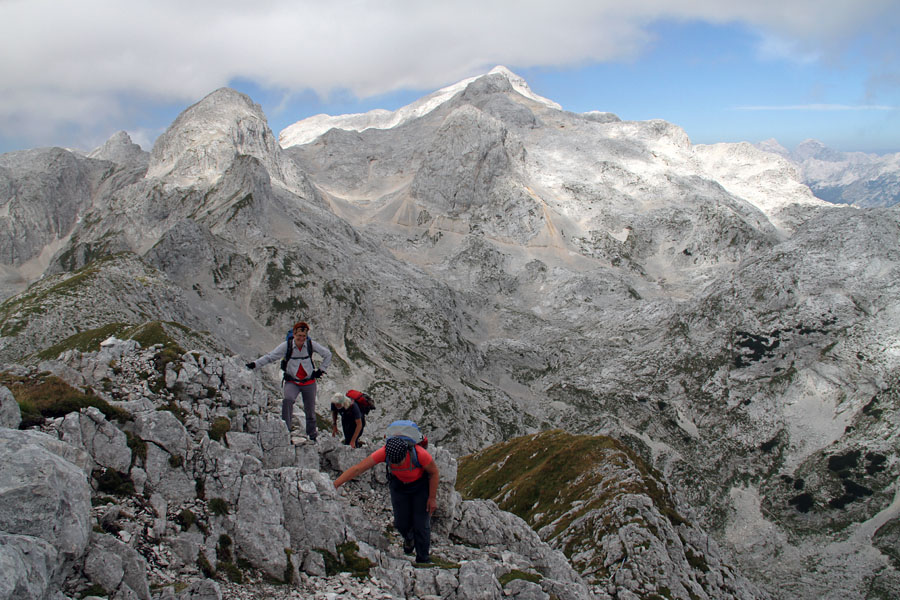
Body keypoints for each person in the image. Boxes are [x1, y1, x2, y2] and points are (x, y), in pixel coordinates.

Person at [333, 430, 439, 564]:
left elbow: (434, 473)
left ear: (406, 453)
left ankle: (423, 559)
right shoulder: (384, 452)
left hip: (420, 487)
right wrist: (335, 484)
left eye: (399, 462)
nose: (396, 465)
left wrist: (432, 498)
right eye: (393, 463)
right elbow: (358, 468)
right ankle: (409, 537)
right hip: (399, 486)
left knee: (421, 523)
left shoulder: (420, 454)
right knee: (400, 523)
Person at [245, 321, 332, 442]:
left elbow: (328, 354)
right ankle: (286, 430)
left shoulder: (310, 344)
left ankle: (312, 435)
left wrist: (321, 370)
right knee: (288, 400)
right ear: (294, 335)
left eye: (304, 336)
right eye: (299, 336)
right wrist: (255, 364)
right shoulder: (287, 345)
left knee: (310, 410)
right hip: (292, 382)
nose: (301, 338)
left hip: (309, 382)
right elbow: (271, 356)